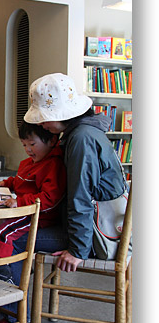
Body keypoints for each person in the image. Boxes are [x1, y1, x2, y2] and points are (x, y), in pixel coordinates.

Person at [24, 72, 126, 271]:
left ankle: (12, 293)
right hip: (95, 228)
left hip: (96, 236)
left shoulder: (81, 139)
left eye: (44, 118)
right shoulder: (88, 131)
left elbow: (80, 196)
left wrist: (78, 250)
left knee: (11, 238)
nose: (40, 124)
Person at [0, 120, 66, 258]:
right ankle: (10, 265)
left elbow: (50, 198)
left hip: (38, 217)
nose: (27, 149)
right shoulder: (29, 163)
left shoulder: (53, 165)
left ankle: (6, 269)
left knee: (2, 233)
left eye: (32, 144)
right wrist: (8, 183)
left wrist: (20, 202)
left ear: (52, 141)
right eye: (24, 145)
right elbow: (22, 182)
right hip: (24, 212)